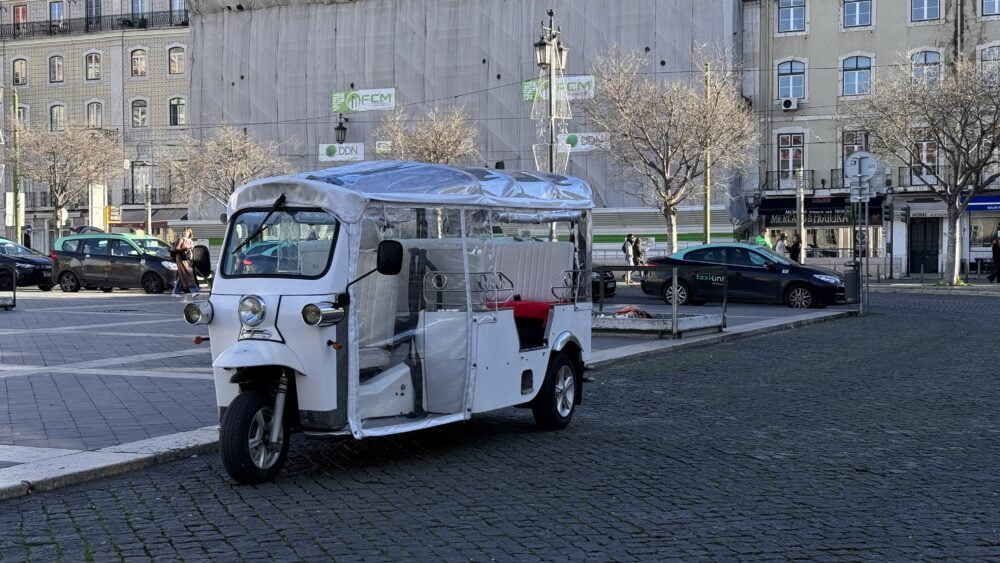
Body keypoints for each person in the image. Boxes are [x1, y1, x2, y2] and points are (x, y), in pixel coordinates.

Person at [172, 228, 199, 297]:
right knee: (188, 274)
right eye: (184, 232)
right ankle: (194, 290)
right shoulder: (181, 239)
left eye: (186, 232)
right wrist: (186, 248)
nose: (184, 233)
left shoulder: (191, 241)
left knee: (182, 275)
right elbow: (176, 249)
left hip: (188, 259)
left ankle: (175, 292)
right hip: (181, 259)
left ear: (190, 233)